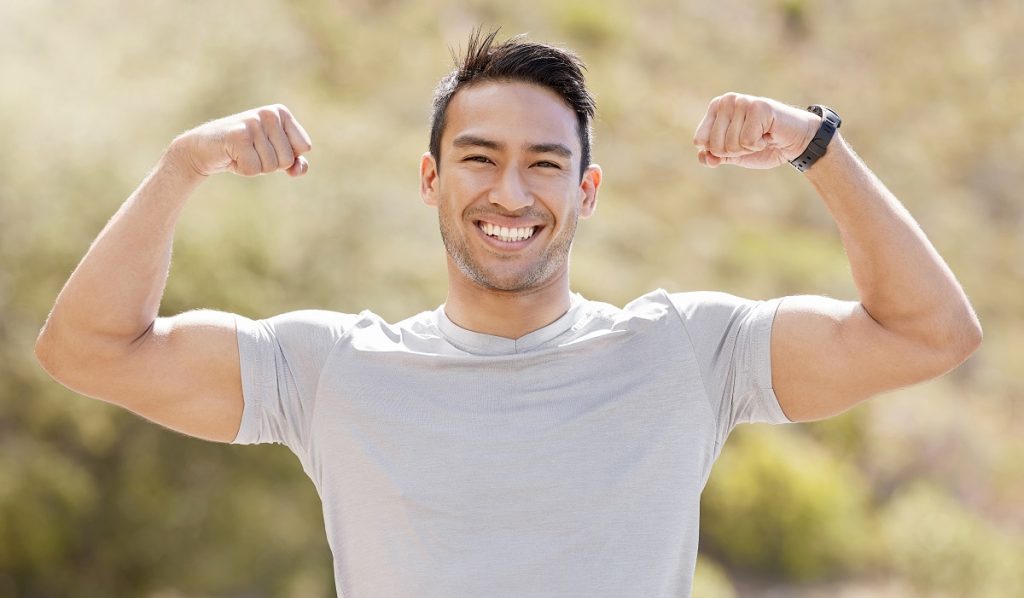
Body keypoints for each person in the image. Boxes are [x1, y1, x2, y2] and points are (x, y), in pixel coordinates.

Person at [35, 28, 981, 597]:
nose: (511, 192)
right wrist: (183, 165)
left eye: (545, 163)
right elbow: (88, 351)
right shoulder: (329, 370)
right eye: (480, 158)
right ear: (431, 180)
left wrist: (815, 143)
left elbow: (929, 331)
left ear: (589, 190)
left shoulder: (690, 352)